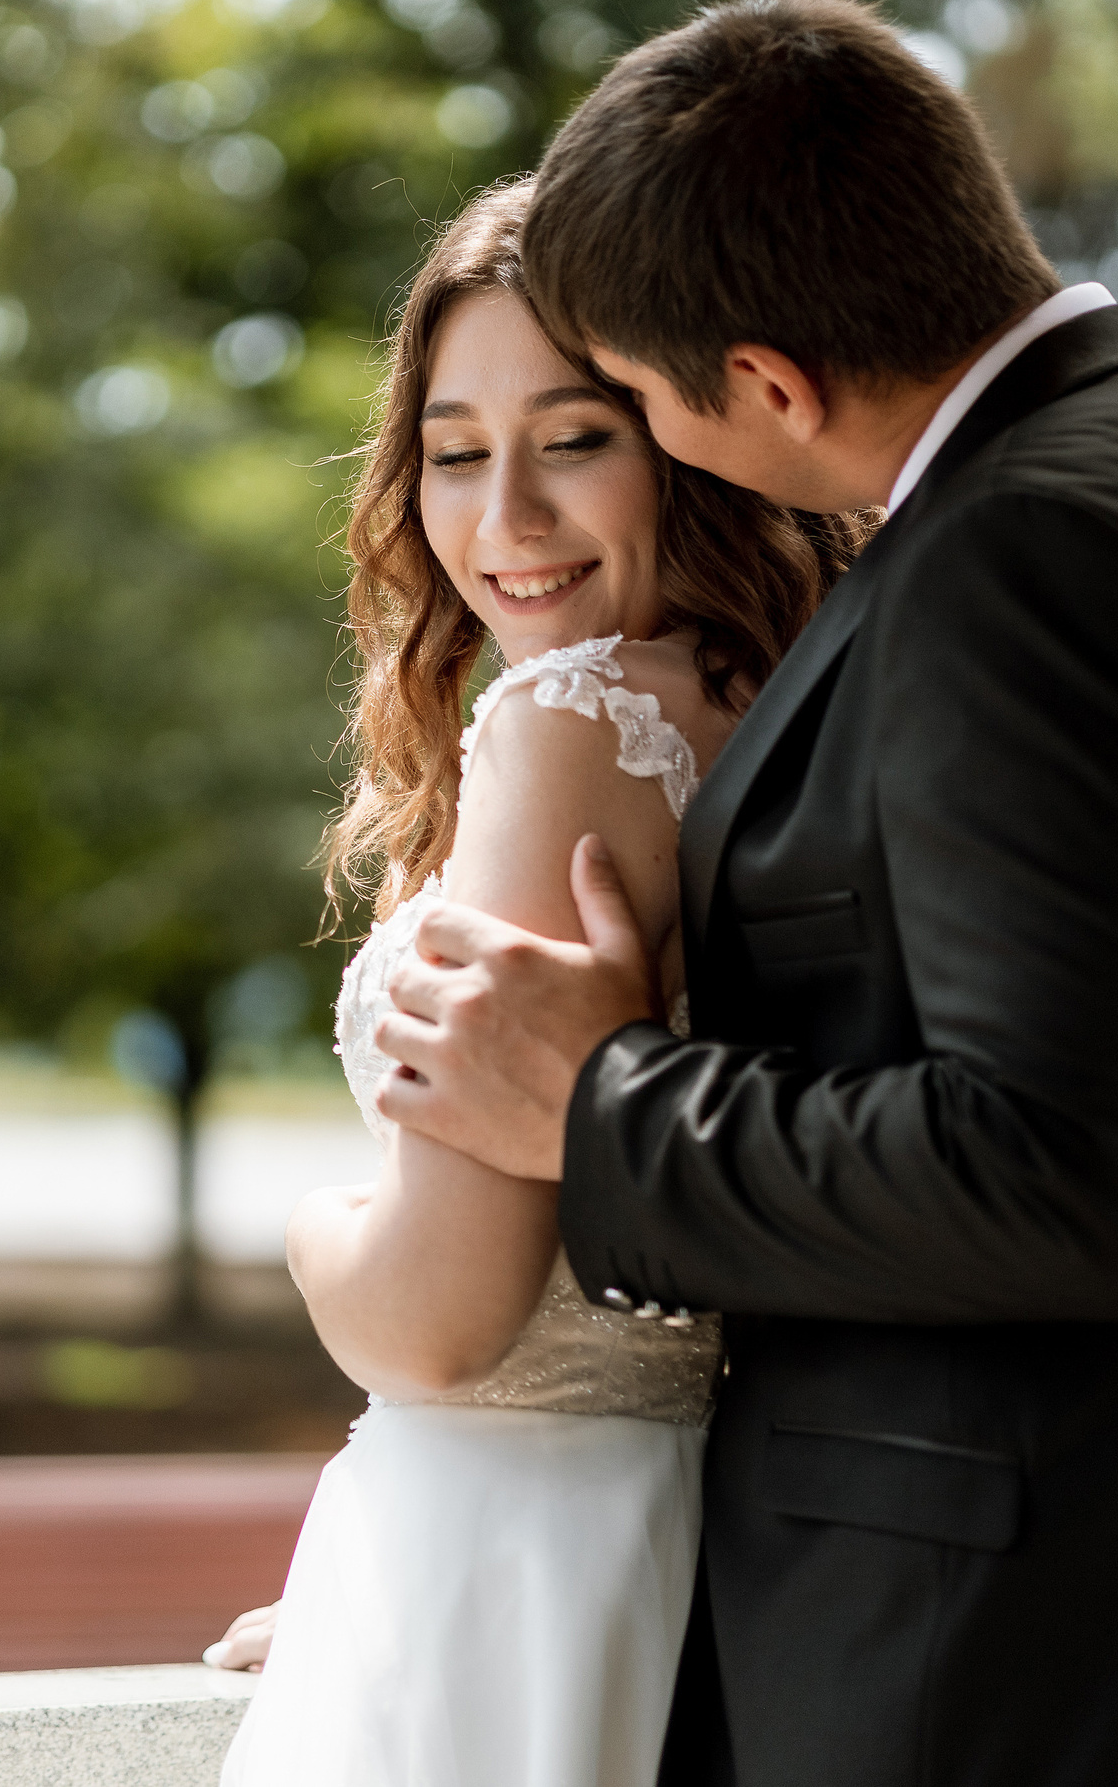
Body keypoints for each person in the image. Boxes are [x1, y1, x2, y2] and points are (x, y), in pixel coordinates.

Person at [369, 0, 1118, 1782]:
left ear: (764, 384)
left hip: (1069, 1684)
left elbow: (1068, 1174)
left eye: (645, 405)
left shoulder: (1029, 555)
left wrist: (602, 1100)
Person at [207, 179, 861, 1785]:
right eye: (452, 452)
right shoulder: (776, 699)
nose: (504, 519)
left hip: (510, 1565)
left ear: (683, 436)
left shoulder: (570, 724)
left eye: (574, 440)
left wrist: (306, 1226)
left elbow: (435, 1318)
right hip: (654, 1555)